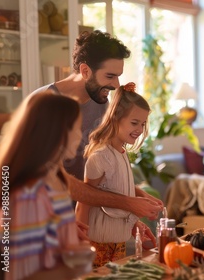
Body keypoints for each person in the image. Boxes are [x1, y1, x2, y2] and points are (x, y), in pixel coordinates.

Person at [31, 30, 162, 222]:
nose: (116, 85)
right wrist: (127, 203)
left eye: (118, 76)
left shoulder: (101, 104)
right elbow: (54, 179)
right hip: (47, 219)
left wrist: (136, 198)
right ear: (85, 71)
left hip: (87, 219)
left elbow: (99, 172)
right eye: (110, 76)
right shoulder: (44, 104)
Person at [0, 93, 91, 279]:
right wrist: (76, 267)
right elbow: (19, 276)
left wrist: (67, 236)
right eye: (77, 128)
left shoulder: (57, 180)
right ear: (55, 132)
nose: (81, 136)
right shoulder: (28, 196)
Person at [75, 83, 155, 267]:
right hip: (97, 244)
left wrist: (136, 218)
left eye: (142, 124)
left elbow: (114, 190)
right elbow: (85, 200)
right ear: (115, 118)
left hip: (117, 243)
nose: (139, 129)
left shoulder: (121, 152)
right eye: (134, 123)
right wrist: (80, 244)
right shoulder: (101, 156)